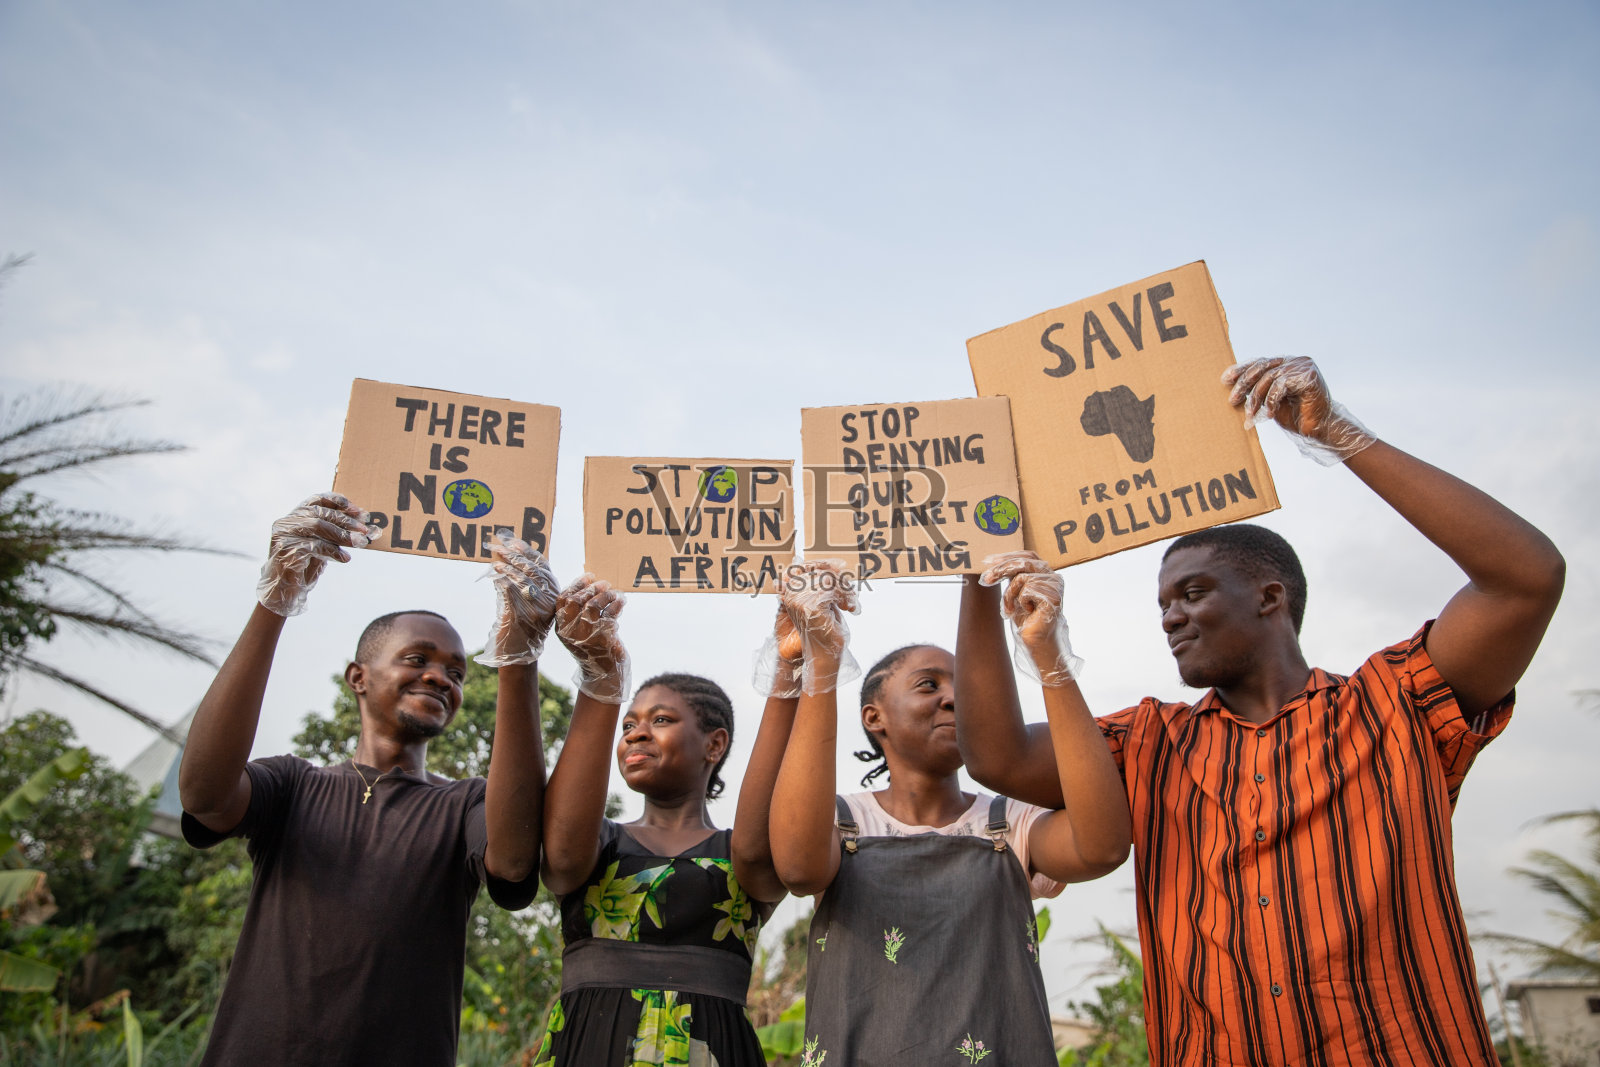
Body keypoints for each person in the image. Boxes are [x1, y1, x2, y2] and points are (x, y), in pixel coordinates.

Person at [954, 357, 1567, 1067]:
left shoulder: (1396, 704)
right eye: (1163, 604)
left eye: (1192, 593)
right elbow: (994, 756)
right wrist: (978, 567)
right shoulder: (1151, 740)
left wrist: (1336, 432)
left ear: (1271, 598)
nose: (1170, 617)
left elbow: (1528, 578)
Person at [178, 495, 551, 1067]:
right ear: (359, 677)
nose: (440, 677)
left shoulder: (466, 805)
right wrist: (275, 600)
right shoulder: (292, 785)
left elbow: (514, 860)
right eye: (417, 658)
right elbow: (203, 794)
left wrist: (519, 654)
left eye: (456, 671)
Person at [766, 559, 1132, 1066]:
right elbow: (798, 868)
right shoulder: (838, 821)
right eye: (927, 685)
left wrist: (1048, 655)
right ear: (874, 717)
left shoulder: (1013, 824)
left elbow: (1103, 847)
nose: (954, 698)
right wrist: (822, 665)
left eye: (963, 687)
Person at [533, 566, 798, 1066]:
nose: (635, 733)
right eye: (629, 723)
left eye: (661, 720)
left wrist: (790, 670)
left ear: (714, 744)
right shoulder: (597, 842)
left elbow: (761, 846)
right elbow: (562, 858)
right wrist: (600, 677)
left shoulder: (742, 852)